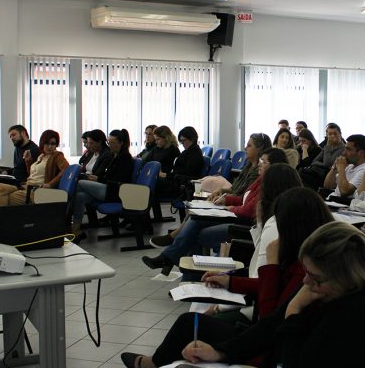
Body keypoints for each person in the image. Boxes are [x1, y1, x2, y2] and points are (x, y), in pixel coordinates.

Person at [121, 222, 365, 368]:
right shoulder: (331, 290)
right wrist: (220, 351)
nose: (307, 281)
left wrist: (294, 313)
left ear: (346, 275)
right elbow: (270, 325)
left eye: (316, 277)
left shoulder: (354, 315)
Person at [142, 151, 292, 273]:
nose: (259, 164)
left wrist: (231, 208)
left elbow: (248, 210)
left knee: (194, 232)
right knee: (195, 219)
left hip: (243, 225)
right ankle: (175, 264)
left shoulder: (270, 184)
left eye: (263, 162)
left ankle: (181, 269)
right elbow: (243, 198)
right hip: (236, 216)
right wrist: (226, 200)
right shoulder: (261, 179)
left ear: (274, 166)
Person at [202, 187, 333, 325]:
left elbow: (268, 318)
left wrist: (271, 263)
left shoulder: (307, 268)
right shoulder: (305, 253)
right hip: (266, 320)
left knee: (195, 323)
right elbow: (270, 285)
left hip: (268, 327)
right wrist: (229, 281)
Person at [71, 129, 134, 236]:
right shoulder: (114, 155)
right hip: (108, 188)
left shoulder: (125, 158)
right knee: (80, 196)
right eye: (109, 142)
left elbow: (118, 180)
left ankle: (63, 214)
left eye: (113, 143)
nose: (110, 145)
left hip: (116, 192)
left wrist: (98, 179)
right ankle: (75, 229)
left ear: (121, 143)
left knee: (80, 183)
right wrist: (99, 178)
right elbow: (108, 175)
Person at [0, 129, 69, 207]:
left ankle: (1, 215)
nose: (50, 147)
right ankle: (2, 215)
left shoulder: (57, 156)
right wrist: (28, 162)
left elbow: (66, 169)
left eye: (53, 144)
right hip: (26, 186)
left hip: (37, 191)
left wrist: (50, 184)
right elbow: (32, 175)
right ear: (42, 143)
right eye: (47, 143)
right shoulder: (41, 156)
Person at [156, 126, 204, 198]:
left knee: (154, 183)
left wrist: (167, 175)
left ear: (192, 139)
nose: (182, 143)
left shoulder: (195, 154)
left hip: (181, 185)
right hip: (177, 181)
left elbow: (189, 175)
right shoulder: (187, 151)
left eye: (184, 140)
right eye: (181, 141)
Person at [322, 134, 365, 200]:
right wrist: (334, 168)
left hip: (341, 203)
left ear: (361, 153)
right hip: (331, 199)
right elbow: (328, 186)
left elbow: (344, 192)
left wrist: (341, 169)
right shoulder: (350, 166)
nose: (344, 153)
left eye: (348, 149)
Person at [299, 122, 344, 189]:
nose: (332, 136)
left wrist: (328, 146)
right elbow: (314, 162)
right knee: (299, 175)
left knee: (301, 177)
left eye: (335, 133)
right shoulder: (326, 148)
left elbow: (327, 163)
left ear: (340, 134)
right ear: (327, 135)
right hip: (319, 174)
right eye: (330, 134)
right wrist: (323, 165)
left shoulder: (343, 149)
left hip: (329, 177)